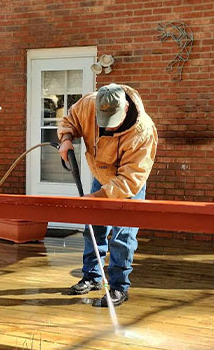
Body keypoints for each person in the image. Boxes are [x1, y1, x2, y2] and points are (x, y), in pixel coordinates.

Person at [57, 83, 158, 307]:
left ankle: (119, 287)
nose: (107, 127)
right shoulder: (88, 105)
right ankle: (92, 277)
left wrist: (96, 198)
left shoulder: (143, 131)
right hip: (100, 175)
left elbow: (130, 180)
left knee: (123, 236)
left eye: (113, 121)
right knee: (93, 228)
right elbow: (69, 121)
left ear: (125, 108)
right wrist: (66, 139)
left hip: (127, 185)